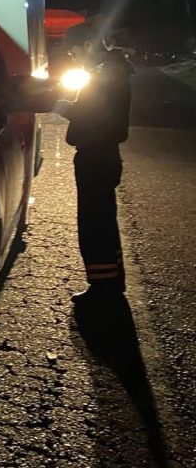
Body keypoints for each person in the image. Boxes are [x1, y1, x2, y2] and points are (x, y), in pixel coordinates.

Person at [54, 22, 134, 307]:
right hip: (102, 155)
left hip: (96, 156)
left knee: (94, 224)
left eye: (74, 51)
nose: (73, 57)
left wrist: (57, 103)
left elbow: (88, 114)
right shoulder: (110, 70)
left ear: (88, 45)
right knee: (103, 221)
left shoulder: (104, 74)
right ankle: (111, 282)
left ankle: (102, 290)